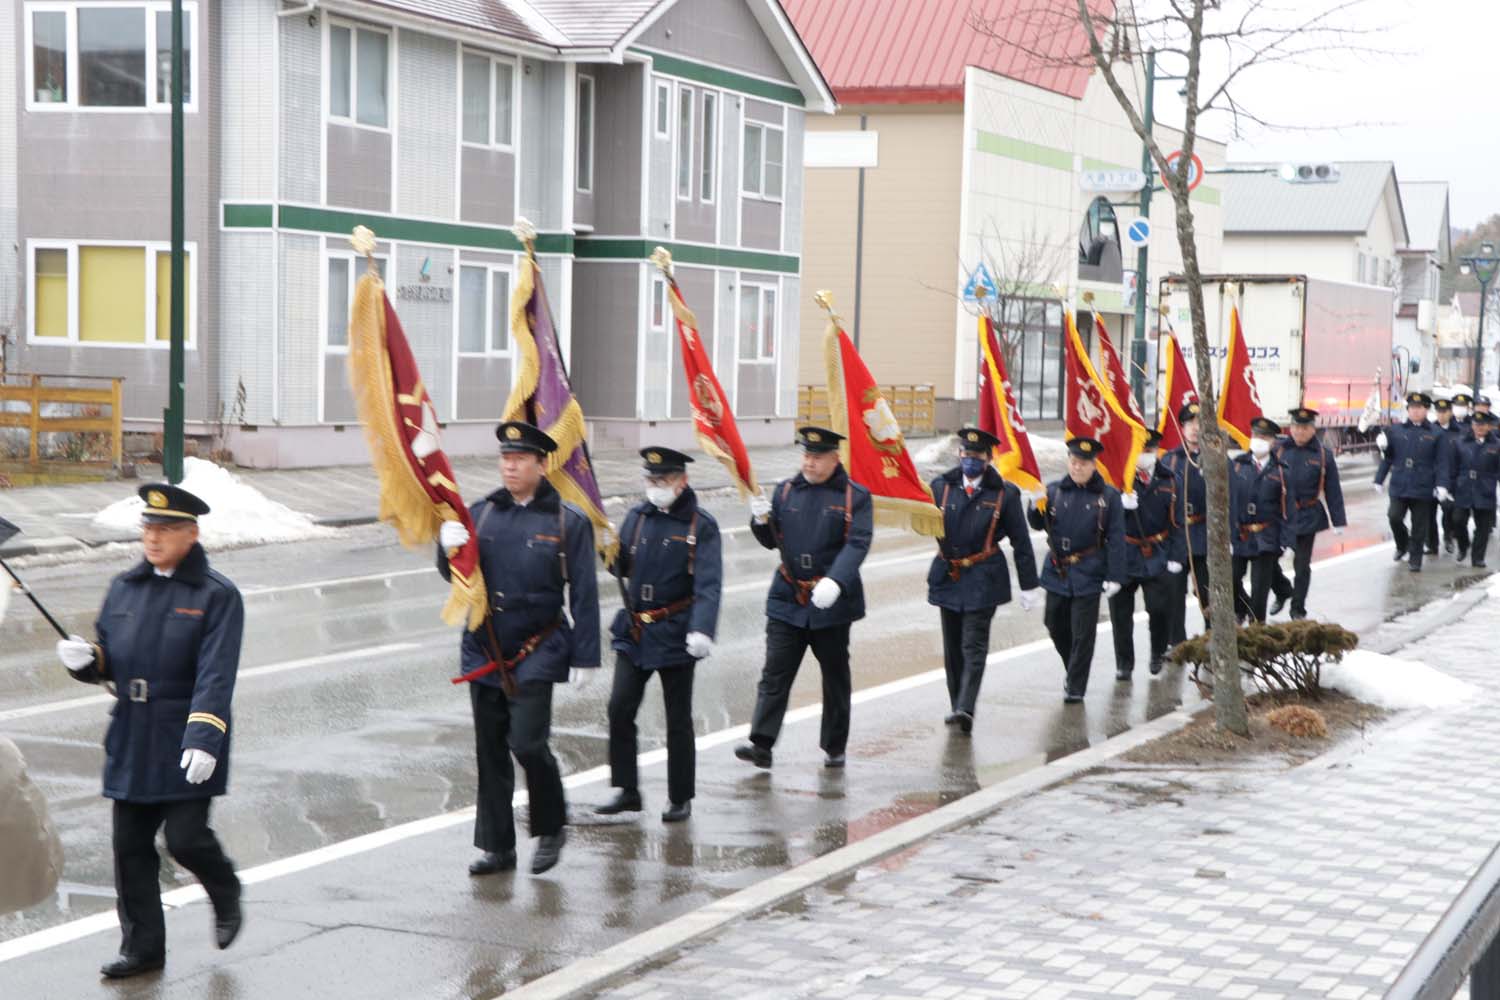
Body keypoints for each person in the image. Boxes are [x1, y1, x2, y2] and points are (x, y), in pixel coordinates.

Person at [54, 484, 244, 979]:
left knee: (185, 839)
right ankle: (143, 948)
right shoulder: (125, 588)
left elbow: (216, 674)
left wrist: (204, 739)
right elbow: (110, 660)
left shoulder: (215, 596)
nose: (153, 539)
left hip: (184, 736)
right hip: (133, 734)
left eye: (165, 529)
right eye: (148, 529)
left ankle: (224, 887)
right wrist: (86, 662)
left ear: (191, 534)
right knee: (130, 849)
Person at [436, 421, 600, 876]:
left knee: (527, 743)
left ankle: (551, 827)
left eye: (520, 459)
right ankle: (497, 847)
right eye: (505, 459)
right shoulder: (482, 513)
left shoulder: (569, 521)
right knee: (490, 751)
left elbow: (584, 594)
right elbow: (459, 576)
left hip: (539, 647)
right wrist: (444, 549)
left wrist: (587, 656)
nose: (509, 466)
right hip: (485, 646)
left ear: (541, 465)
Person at [595, 448, 721, 824]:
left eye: (662, 481)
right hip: (636, 630)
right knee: (619, 708)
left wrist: (702, 628)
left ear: (682, 481)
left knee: (676, 718)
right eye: (650, 480)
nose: (655, 487)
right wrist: (606, 546)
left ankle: (680, 796)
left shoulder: (701, 525)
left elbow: (709, 583)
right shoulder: (637, 517)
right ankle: (627, 789)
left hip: (676, 629)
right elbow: (621, 566)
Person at [736, 426, 873, 769]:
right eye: (806, 456)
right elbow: (771, 540)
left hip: (831, 601)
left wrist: (837, 581)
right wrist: (759, 518)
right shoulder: (785, 492)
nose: (809, 463)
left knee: (834, 676)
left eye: (817, 457)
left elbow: (857, 542)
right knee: (775, 673)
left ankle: (834, 745)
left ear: (834, 458)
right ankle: (762, 743)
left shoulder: (853, 495)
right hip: (788, 596)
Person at [926, 427, 1040, 733]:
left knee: (972, 645)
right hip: (949, 575)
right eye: (965, 454)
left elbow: (1021, 541)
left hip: (983, 575)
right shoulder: (941, 487)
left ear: (989, 459)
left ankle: (966, 707)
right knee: (952, 648)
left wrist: (1029, 584)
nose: (969, 460)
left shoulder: (1004, 492)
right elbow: (920, 515)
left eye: (976, 456)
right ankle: (957, 704)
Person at [1026, 437, 1126, 703]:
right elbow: (1037, 523)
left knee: (1083, 632)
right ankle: (1073, 665)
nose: (1077, 467)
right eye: (1073, 462)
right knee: (1054, 623)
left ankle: (1076, 686)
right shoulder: (1055, 490)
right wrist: (1034, 503)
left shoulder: (1108, 496)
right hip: (1058, 569)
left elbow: (1116, 538)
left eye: (1083, 463)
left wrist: (1116, 576)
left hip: (1089, 570)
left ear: (1094, 465)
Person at [1111, 431, 1184, 680]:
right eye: (1141, 451)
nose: (1144, 456)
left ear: (1156, 452)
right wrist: (1118, 505)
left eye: (1149, 451)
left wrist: (1177, 556)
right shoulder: (1119, 477)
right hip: (1125, 551)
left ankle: (1157, 652)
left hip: (1157, 551)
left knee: (1159, 608)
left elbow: (1178, 522)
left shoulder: (1171, 480)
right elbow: (1105, 521)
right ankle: (1124, 663)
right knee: (1120, 613)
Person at [1267, 408, 1347, 619]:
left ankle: (1297, 608)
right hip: (1281, 515)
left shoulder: (1322, 455)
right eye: (1295, 427)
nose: (1299, 432)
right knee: (1268, 559)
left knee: (1301, 566)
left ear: (1312, 429)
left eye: (1304, 428)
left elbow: (1333, 489)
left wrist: (1338, 520)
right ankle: (1283, 590)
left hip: (1307, 515)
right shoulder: (1278, 450)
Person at [1160, 403, 1220, 643]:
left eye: (1200, 424)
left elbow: (1229, 497)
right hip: (1176, 535)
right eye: (1189, 424)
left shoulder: (1215, 458)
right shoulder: (1170, 460)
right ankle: (1176, 642)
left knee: (1207, 591)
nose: (1195, 429)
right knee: (1173, 594)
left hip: (1203, 534)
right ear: (1182, 428)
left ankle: (1213, 638)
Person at [1374, 391, 1452, 573]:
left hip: (1423, 486)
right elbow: (1388, 458)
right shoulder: (1396, 430)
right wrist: (1379, 477)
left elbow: (1442, 462)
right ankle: (1402, 544)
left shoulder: (1436, 433)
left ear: (1426, 410)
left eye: (1419, 408)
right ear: (1407, 410)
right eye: (1412, 408)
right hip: (1400, 483)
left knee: (1419, 525)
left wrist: (1442, 485)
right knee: (1394, 517)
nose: (1415, 411)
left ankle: (1415, 559)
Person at [1229, 418, 1297, 623]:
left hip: (1267, 537)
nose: (1259, 440)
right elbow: (1227, 503)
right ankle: (1242, 607)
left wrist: (1289, 542)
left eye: (1265, 437)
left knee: (1260, 588)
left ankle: (1257, 629)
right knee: (1230, 579)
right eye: (1256, 436)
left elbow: (1289, 510)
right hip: (1240, 535)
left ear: (1273, 442)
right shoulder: (1237, 466)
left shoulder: (1281, 471)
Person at [1449, 411, 1500, 568]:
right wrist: (1449, 487)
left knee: (1483, 527)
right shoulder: (1461, 442)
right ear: (1472, 425)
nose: (1480, 428)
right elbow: (1453, 468)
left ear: (1489, 426)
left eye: (1483, 424)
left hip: (1485, 489)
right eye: (1477, 424)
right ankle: (1463, 545)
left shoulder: (1496, 445)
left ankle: (1477, 558)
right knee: (1458, 520)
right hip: (1464, 488)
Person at [1425, 398, 1462, 556]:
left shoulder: (1459, 431)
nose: (1441, 415)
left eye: (1444, 411)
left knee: (1448, 511)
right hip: (1430, 479)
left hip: (1451, 478)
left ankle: (1448, 536)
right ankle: (1432, 544)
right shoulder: (1429, 430)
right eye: (1438, 411)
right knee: (1428, 513)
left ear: (1450, 412)